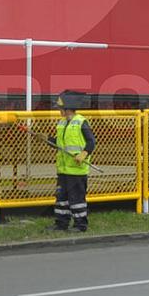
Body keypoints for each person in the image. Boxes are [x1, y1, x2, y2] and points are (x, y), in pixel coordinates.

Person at [49, 93, 96, 232]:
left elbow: (91, 142)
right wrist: (47, 139)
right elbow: (60, 143)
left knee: (76, 199)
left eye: (60, 108)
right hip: (63, 169)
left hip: (77, 170)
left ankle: (80, 225)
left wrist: (84, 153)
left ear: (67, 108)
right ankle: (61, 224)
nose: (59, 110)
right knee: (61, 198)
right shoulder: (62, 123)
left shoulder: (81, 122)